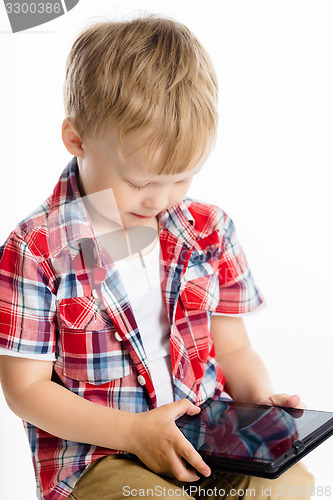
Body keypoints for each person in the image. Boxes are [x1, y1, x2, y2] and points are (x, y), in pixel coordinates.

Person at [0, 15, 314, 500]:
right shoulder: (37, 248)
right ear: (77, 139)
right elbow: (26, 390)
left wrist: (260, 403)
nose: (161, 200)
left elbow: (232, 349)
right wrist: (134, 433)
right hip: (101, 455)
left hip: (206, 442)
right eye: (141, 183)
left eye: (182, 178)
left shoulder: (209, 230)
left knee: (292, 485)